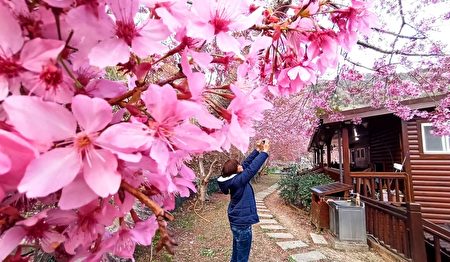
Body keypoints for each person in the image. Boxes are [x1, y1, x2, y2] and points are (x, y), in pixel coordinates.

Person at [217, 139, 270, 262]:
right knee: (242, 257)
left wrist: (257, 150)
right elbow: (252, 169)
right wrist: (265, 152)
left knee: (237, 251)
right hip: (242, 222)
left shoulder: (233, 178)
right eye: (238, 165)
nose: (241, 165)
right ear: (235, 170)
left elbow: (246, 164)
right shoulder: (238, 181)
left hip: (237, 220)